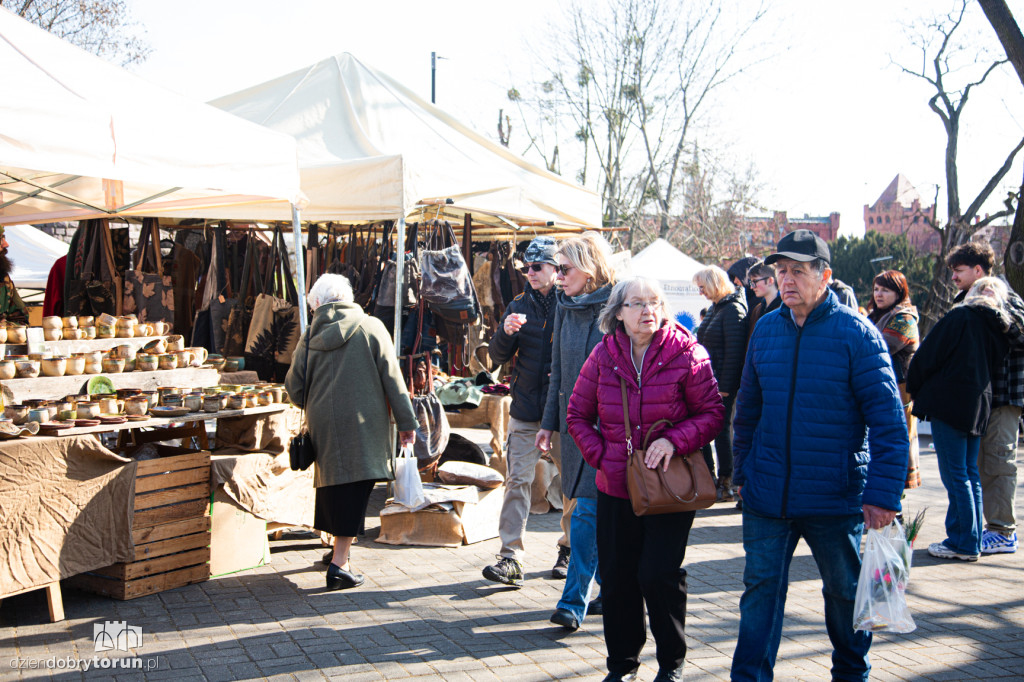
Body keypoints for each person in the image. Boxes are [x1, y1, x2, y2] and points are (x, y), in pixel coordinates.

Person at [730, 229, 908, 682]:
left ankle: (852, 674)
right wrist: (743, 472)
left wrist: (884, 495)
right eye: (781, 271)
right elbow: (747, 410)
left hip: (835, 497)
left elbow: (889, 423)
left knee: (845, 595)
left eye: (798, 271)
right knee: (759, 594)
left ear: (825, 275)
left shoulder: (858, 333)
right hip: (767, 496)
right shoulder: (767, 328)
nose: (786, 280)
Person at [567, 277, 724, 682]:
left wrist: (675, 439)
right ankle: (622, 667)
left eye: (655, 302)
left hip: (669, 488)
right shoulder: (603, 355)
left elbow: (712, 414)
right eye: (637, 303)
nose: (647, 310)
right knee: (618, 580)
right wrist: (603, 457)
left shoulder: (688, 353)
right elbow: (577, 416)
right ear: (618, 312)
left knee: (657, 574)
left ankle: (671, 663)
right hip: (616, 487)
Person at [285, 273, 418, 591]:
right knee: (356, 489)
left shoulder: (309, 337)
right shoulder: (371, 327)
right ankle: (339, 565)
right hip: (364, 423)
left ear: (317, 304)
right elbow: (393, 379)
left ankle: (334, 552)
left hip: (323, 422)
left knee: (332, 484)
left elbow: (294, 387)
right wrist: (407, 424)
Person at [536, 232, 617, 631]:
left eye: (565, 268)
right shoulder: (564, 306)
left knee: (585, 514)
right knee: (589, 516)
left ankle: (572, 602)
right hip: (571, 432)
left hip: (609, 434)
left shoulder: (620, 304)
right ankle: (614, 588)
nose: (558, 276)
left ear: (590, 266)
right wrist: (548, 424)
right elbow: (558, 374)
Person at [482, 237, 573, 587]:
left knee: (572, 483)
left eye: (537, 267)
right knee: (517, 480)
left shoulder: (571, 303)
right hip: (526, 408)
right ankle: (510, 558)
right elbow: (497, 356)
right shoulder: (518, 305)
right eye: (527, 268)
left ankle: (568, 549)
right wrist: (504, 334)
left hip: (565, 411)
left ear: (555, 269)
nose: (530, 273)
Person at [908, 277, 1015, 561]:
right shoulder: (999, 328)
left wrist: (915, 386)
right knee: (969, 474)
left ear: (973, 293)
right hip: (979, 403)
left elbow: (928, 354)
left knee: (956, 474)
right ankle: (968, 538)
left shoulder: (961, 316)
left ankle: (963, 542)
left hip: (950, 402)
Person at [943, 241, 1024, 554]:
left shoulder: (999, 293)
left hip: (1003, 396)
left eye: (958, 271)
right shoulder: (964, 300)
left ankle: (1003, 531)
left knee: (998, 462)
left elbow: (1020, 331)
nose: (953, 278)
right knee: (975, 466)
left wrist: (997, 311)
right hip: (977, 399)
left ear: (978, 270)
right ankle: (976, 533)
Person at [693, 265, 747, 502]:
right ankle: (711, 477)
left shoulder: (732, 309)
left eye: (703, 287)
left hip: (721, 385)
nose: (701, 293)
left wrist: (726, 387)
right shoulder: (718, 308)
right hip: (709, 383)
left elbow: (735, 353)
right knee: (709, 431)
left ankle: (725, 480)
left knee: (721, 432)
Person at [866, 270, 922, 490]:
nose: (879, 294)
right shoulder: (873, 316)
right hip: (876, 386)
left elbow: (880, 346)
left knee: (898, 439)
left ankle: (895, 496)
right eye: (876, 289)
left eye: (886, 290)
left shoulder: (905, 318)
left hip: (899, 388)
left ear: (899, 293)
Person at [744, 260, 781, 337]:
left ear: (770, 281)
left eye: (755, 281)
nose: (751, 287)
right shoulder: (757, 310)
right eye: (751, 282)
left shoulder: (786, 309)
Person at [0, 228, 27, 323]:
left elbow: (21, 319)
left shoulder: (4, 280)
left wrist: (7, 326)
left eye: (4, 238)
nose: (6, 244)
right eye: (1, 239)